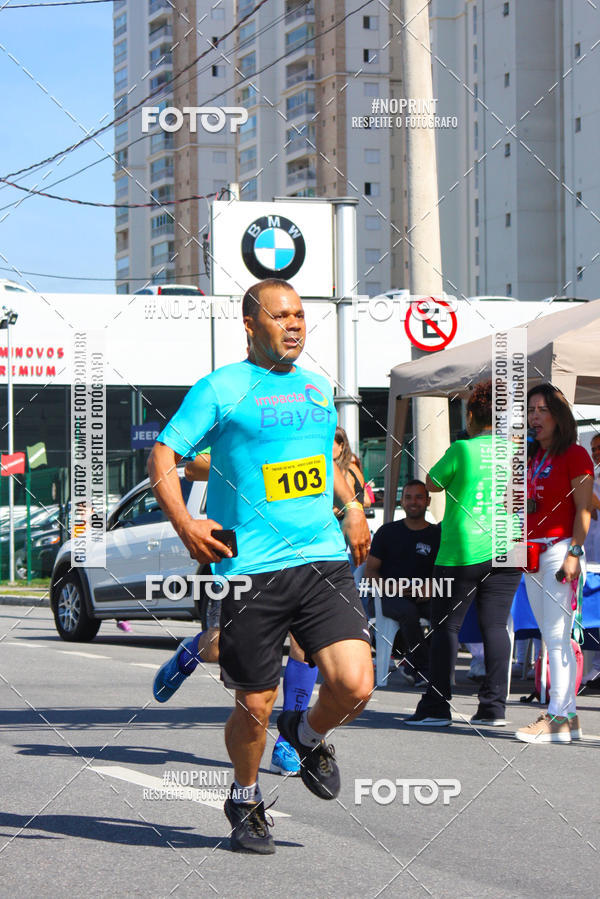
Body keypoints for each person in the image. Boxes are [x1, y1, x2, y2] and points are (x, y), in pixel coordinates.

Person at [147, 278, 373, 854]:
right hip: (251, 567)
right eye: (281, 316)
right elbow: (165, 454)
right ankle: (245, 797)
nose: (295, 325)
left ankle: (307, 732)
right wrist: (185, 523)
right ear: (251, 324)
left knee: (355, 683)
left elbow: (328, 463)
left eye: (300, 315)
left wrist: (350, 508)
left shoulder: (319, 390)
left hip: (320, 558)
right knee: (255, 704)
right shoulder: (221, 389)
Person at [153, 451, 319, 777]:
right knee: (218, 648)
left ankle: (289, 740)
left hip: (298, 552)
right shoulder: (242, 432)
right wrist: (258, 463)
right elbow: (192, 468)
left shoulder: (312, 438)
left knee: (304, 647)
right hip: (241, 557)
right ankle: (189, 654)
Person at [404, 380, 522, 728]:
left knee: (445, 627)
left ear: (471, 414)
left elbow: (432, 482)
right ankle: (493, 708)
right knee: (496, 626)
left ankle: (438, 707)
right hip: (507, 547)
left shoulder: (463, 449)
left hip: (463, 550)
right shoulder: (515, 451)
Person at [515, 385, 593, 743]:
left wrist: (575, 553)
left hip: (561, 551)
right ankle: (568, 717)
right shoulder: (528, 458)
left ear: (559, 416)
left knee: (559, 637)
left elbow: (585, 508)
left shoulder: (575, 454)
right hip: (530, 554)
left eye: (542, 410)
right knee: (550, 636)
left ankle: (560, 716)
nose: (534, 417)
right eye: (530, 411)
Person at [365, 479, 440, 686]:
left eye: (418, 497)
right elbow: (370, 573)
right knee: (408, 611)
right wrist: (393, 587)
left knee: (446, 612)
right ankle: (423, 669)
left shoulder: (437, 535)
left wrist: (432, 587)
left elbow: (444, 571)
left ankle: (413, 663)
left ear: (428, 501)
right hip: (387, 597)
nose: (413, 502)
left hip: (424, 596)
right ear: (401, 501)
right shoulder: (387, 532)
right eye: (408, 497)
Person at [580, 433, 600, 688]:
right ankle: (593, 667)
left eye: (599, 448)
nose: (596, 453)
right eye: (593, 448)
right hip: (591, 555)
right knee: (593, 613)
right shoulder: (591, 476)